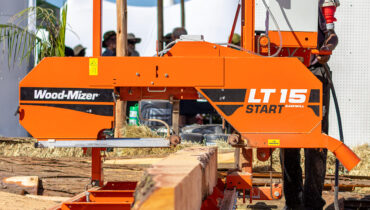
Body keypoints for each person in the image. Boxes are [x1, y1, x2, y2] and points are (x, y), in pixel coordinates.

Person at [281, 1, 339, 210]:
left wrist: (327, 48)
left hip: (315, 72)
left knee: (316, 143)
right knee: (287, 142)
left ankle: (313, 204)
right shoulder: (275, 5)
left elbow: (332, 35)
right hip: (285, 72)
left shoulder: (319, 3)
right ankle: (293, 203)